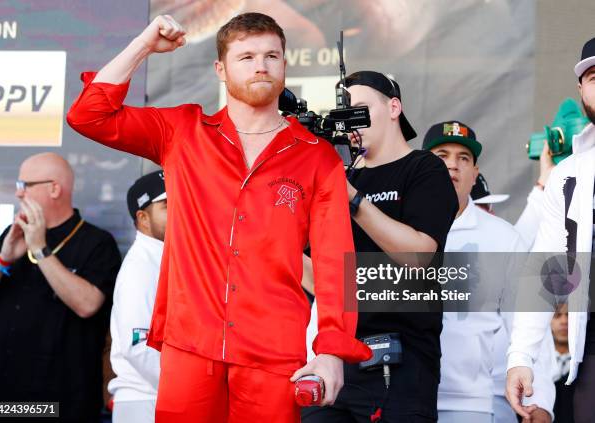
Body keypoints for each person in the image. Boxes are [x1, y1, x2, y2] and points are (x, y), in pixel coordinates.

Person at [66, 12, 370, 423]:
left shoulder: (315, 156)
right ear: (220, 69)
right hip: (189, 345)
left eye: (271, 55)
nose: (260, 65)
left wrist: (331, 351)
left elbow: (335, 262)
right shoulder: (184, 131)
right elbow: (89, 115)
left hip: (273, 354)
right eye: (245, 57)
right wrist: (143, 45)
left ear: (284, 64)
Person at [302, 71, 458, 422]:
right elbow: (321, 282)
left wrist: (353, 199)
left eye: (361, 108)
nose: (352, 122)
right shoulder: (342, 177)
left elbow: (418, 256)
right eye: (345, 114)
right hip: (336, 361)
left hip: (399, 364)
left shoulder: (424, 168)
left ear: (393, 107)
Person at [424, 122, 555, 423]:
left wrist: (541, 400)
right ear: (420, 167)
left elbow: (529, 320)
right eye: (441, 155)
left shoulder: (503, 238)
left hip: (472, 404)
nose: (452, 165)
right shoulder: (391, 228)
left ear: (475, 174)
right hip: (395, 396)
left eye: (464, 158)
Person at [0, 152, 122, 422]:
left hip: (60, 399)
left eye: (25, 185)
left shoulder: (96, 242)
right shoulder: (13, 234)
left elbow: (87, 305)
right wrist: (3, 260)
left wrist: (40, 249)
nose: (18, 193)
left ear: (54, 188)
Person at [506, 36, 595, 423]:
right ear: (581, 90)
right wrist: (521, 356)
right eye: (593, 77)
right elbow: (548, 270)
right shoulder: (570, 174)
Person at [108, 170, 167, 423]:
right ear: (143, 218)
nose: (182, 210)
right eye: (167, 205)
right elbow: (138, 345)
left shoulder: (165, 257)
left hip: (156, 398)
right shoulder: (140, 266)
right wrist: (187, 388)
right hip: (144, 402)